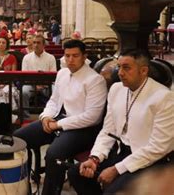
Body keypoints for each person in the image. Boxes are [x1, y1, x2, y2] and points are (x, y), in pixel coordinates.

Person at [68, 49, 174, 195]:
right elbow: (108, 131)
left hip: (150, 161)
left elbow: (158, 148)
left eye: (127, 68)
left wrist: (116, 169)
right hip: (120, 150)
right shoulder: (116, 89)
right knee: (76, 173)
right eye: (119, 67)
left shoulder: (164, 98)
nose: (120, 73)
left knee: (113, 191)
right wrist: (95, 158)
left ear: (143, 71)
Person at [13, 39, 107, 195]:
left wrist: (58, 125)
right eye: (67, 55)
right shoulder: (62, 73)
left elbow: (92, 117)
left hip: (83, 129)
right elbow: (54, 100)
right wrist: (45, 117)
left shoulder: (95, 80)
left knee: (53, 155)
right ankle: (25, 185)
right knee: (19, 138)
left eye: (75, 56)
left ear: (84, 56)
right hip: (57, 119)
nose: (70, 60)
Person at [21, 35, 57, 118]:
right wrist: (35, 85)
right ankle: (26, 116)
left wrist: (44, 84)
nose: (36, 45)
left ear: (44, 45)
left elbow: (53, 75)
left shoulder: (51, 57)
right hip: (31, 84)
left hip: (47, 85)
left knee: (56, 91)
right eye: (34, 43)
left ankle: (53, 115)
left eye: (38, 43)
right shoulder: (26, 57)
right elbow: (24, 75)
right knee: (23, 92)